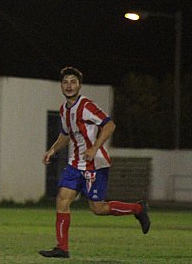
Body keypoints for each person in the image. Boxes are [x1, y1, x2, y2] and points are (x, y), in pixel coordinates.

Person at [39, 66, 150, 259]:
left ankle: (138, 208)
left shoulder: (86, 106)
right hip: (75, 165)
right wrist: (52, 150)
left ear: (79, 85)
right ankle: (62, 248)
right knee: (62, 200)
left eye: (73, 82)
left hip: (94, 165)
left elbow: (109, 124)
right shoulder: (64, 110)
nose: (69, 86)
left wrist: (95, 147)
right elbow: (66, 135)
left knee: (98, 209)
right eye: (65, 82)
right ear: (61, 85)